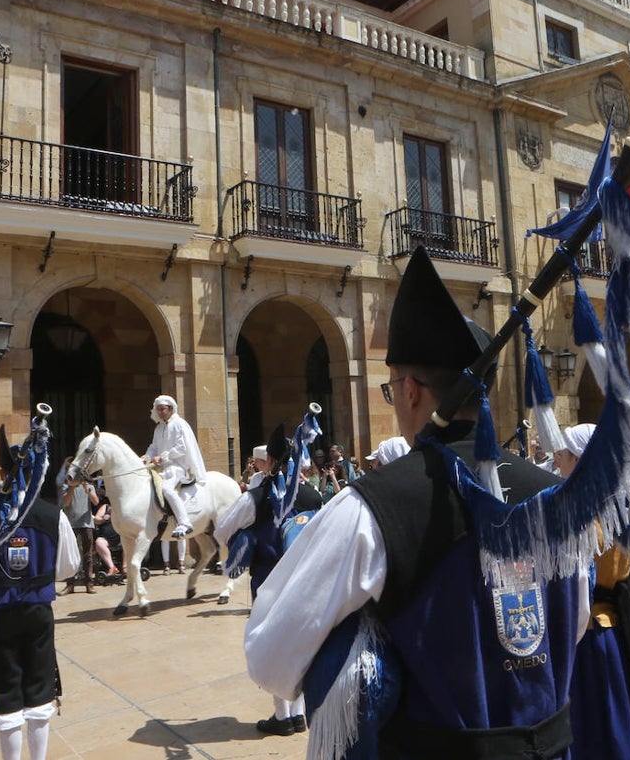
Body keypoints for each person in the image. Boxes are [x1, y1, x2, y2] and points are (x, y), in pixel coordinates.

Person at [245, 247, 574, 757]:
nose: (393, 398)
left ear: (413, 390)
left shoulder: (369, 508)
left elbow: (269, 655)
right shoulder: (555, 494)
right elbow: (566, 632)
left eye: (390, 386)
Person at [0, 426, 80, 760]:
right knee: (39, 692)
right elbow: (68, 569)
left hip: (0, 616)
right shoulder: (54, 516)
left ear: (4, 474)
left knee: (6, 697)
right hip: (38, 614)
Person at [554, 425, 630, 760]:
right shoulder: (621, 502)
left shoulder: (581, 512)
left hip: (589, 634)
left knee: (595, 726)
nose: (557, 459)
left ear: (579, 460)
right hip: (617, 630)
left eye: (562, 454)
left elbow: (575, 590)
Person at [216, 428, 324, 736]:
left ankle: (282, 716)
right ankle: (300, 713)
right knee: (300, 642)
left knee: (274, 642)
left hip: (268, 579)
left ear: (271, 460)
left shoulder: (256, 496)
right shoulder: (312, 495)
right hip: (303, 578)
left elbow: (222, 529)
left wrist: (245, 540)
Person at [142, 395, 207, 538]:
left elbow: (182, 448)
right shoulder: (159, 428)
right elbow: (154, 446)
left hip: (179, 468)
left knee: (166, 489)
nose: (159, 412)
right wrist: (147, 456)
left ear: (171, 409)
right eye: (158, 409)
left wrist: (163, 457)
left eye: (162, 409)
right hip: (162, 469)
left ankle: (184, 522)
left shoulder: (179, 424)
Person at [59, 456, 98, 594]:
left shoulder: (88, 485)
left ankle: (89, 583)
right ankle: (70, 585)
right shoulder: (66, 484)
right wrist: (72, 487)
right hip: (71, 524)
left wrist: (86, 486)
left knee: (88, 554)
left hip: (86, 522)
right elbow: (66, 502)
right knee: (70, 555)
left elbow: (95, 501)